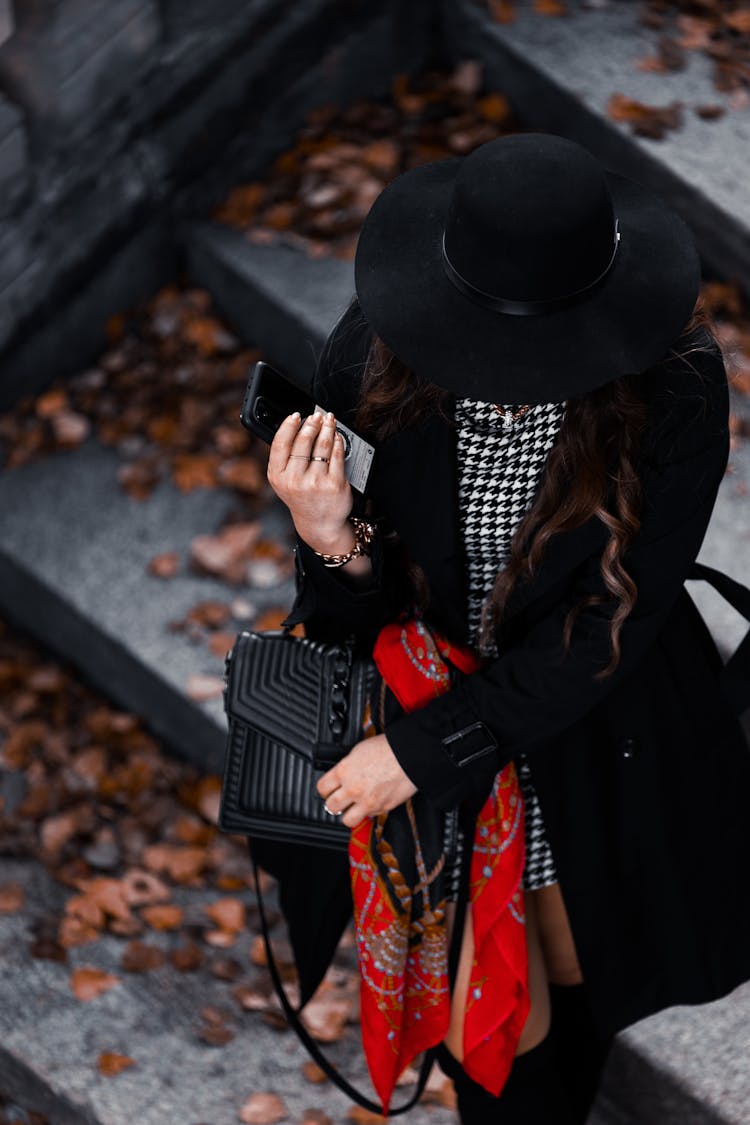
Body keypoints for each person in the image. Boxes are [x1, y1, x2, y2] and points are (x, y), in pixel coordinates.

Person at [251, 132, 750, 1123]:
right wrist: (329, 536)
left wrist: (430, 749)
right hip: (424, 703)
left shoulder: (675, 389)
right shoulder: (378, 355)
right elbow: (358, 607)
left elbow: (615, 618)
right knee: (482, 1018)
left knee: (579, 964)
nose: (521, 371)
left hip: (592, 725)